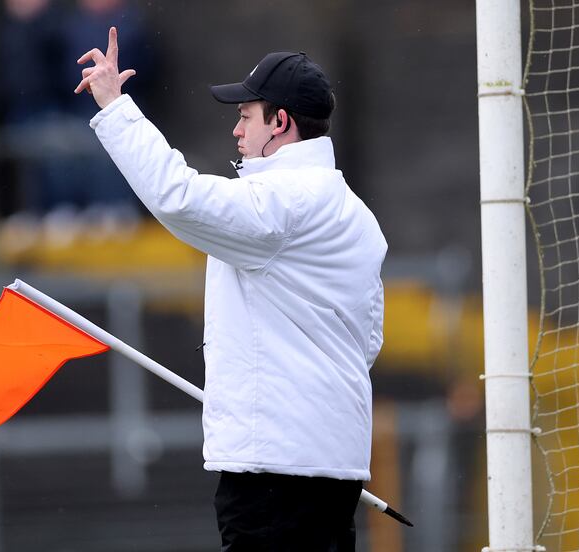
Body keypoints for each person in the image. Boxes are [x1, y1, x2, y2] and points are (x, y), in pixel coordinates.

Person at [75, 28, 387, 550]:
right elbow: (368, 341)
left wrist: (115, 105)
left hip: (275, 471)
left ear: (280, 122)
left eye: (246, 115)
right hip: (330, 463)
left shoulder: (284, 202)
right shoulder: (354, 213)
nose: (237, 131)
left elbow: (178, 198)